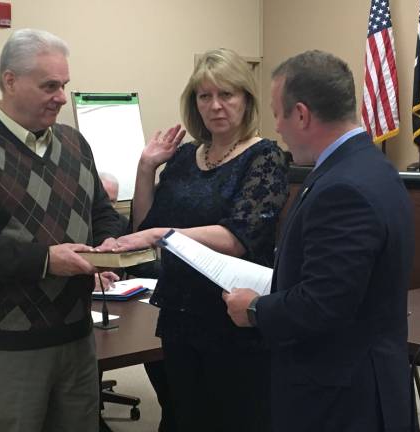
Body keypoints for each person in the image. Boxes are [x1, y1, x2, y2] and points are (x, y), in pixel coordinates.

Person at [0, 29, 124, 432]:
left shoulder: (75, 144)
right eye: (50, 86)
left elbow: (100, 212)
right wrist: (49, 260)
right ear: (10, 81)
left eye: (64, 86)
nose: (62, 97)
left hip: (75, 337)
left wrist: (108, 244)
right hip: (5, 347)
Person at [99, 48, 289, 432]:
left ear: (246, 99)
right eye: (205, 96)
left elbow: (239, 236)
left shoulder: (265, 156)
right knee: (181, 413)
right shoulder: (185, 157)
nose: (216, 106)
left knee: (232, 417)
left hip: (232, 312)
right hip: (180, 310)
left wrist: (163, 235)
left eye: (227, 94)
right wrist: (146, 167)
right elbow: (146, 222)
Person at [223, 50, 415, 432]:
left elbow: (325, 304)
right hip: (363, 380)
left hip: (342, 398)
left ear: (301, 114)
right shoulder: (371, 167)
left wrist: (256, 309)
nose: (276, 126)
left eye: (278, 113)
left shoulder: (343, 187)